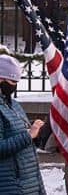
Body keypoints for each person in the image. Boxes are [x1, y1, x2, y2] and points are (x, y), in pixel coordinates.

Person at [0, 55, 46, 194]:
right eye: (12, 81)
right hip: (10, 186)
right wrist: (28, 135)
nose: (14, 85)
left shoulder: (13, 105)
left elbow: (24, 140)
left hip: (29, 183)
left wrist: (38, 134)